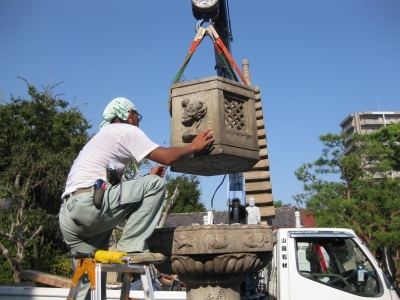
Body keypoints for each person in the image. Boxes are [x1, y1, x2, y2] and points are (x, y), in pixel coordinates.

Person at [59, 97, 213, 300]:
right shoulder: (124, 130)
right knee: (155, 186)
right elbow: (166, 156)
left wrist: (146, 179)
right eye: (137, 116)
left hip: (70, 217)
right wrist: (194, 147)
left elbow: (118, 194)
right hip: (89, 205)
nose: (138, 121)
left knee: (87, 279)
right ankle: (131, 247)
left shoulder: (101, 140)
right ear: (129, 114)